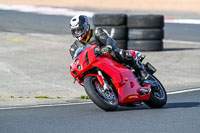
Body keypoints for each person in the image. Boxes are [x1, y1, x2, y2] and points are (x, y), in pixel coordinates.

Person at [69, 15, 146, 80]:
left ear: (85, 26)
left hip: (105, 55)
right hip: (91, 63)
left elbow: (109, 40)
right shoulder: (73, 47)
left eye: (79, 30)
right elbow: (76, 60)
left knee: (119, 53)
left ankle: (141, 70)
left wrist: (108, 46)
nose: (77, 33)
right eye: (74, 31)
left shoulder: (96, 32)